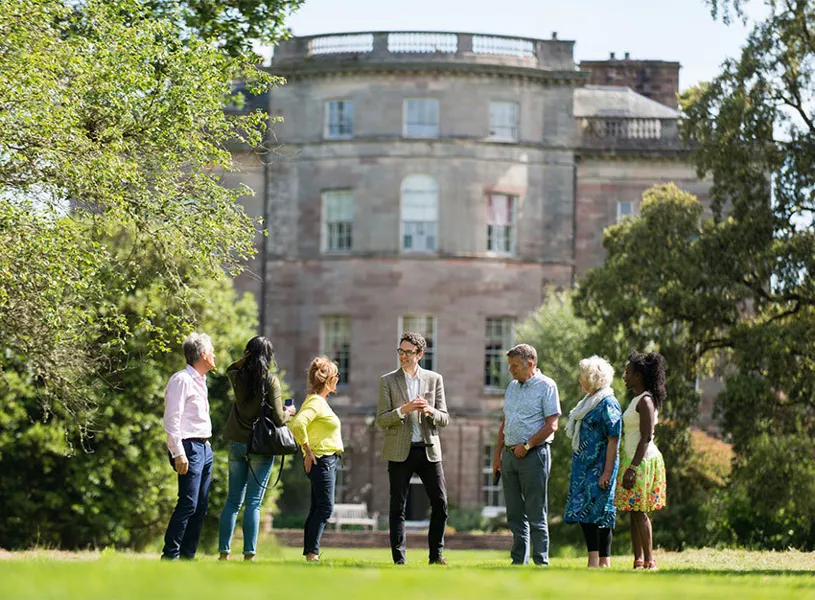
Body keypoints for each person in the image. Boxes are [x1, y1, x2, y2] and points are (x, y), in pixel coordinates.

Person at [218, 336, 296, 561]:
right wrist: (288, 412)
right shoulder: (270, 381)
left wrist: (245, 359)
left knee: (233, 501)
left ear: (247, 354)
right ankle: (249, 554)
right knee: (253, 502)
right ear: (268, 357)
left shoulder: (237, 377)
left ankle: (224, 553)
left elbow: (230, 368)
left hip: (238, 444)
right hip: (260, 447)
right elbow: (280, 419)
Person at [376, 331, 449, 565]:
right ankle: (399, 559)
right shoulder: (387, 381)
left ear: (420, 354)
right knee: (398, 506)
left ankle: (436, 556)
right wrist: (404, 409)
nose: (403, 356)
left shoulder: (434, 379)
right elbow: (381, 420)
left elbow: (445, 418)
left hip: (428, 448)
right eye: (400, 351)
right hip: (399, 450)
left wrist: (430, 410)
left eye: (408, 352)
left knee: (440, 503)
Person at [492, 343, 561, 566]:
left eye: (514, 366)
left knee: (536, 512)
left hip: (534, 455)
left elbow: (552, 425)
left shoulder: (547, 386)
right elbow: (505, 421)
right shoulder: (512, 387)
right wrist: (497, 456)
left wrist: (528, 446)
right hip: (510, 457)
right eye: (510, 365)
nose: (510, 370)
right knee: (514, 514)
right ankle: (518, 561)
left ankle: (541, 561)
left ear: (530, 364)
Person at [161, 332, 216, 560]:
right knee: (188, 504)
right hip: (189, 448)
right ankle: (170, 556)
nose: (214, 355)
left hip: (205, 447)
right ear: (203, 354)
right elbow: (172, 419)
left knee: (200, 507)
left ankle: (187, 557)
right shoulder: (181, 380)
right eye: (212, 351)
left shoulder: (200, 381)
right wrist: (178, 453)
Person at [563, 356, 622, 568]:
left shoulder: (608, 403)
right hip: (583, 467)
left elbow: (614, 438)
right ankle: (592, 561)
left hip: (601, 466)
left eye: (582, 375)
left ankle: (604, 562)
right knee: (584, 512)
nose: (580, 379)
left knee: (602, 513)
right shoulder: (587, 403)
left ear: (592, 378)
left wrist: (607, 472)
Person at [615, 351, 667, 570]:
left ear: (638, 376)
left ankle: (650, 560)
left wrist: (633, 468)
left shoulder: (645, 401)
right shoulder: (637, 399)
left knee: (640, 510)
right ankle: (638, 560)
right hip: (631, 459)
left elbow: (646, 436)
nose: (624, 376)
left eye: (628, 372)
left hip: (642, 461)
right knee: (633, 510)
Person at [289, 356, 344, 562]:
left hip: (326, 459)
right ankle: (312, 554)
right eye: (336, 375)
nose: (338, 379)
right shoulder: (316, 402)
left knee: (317, 507)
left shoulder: (319, 402)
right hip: (322, 459)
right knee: (325, 508)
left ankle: (311, 553)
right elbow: (297, 424)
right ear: (328, 379)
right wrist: (308, 451)